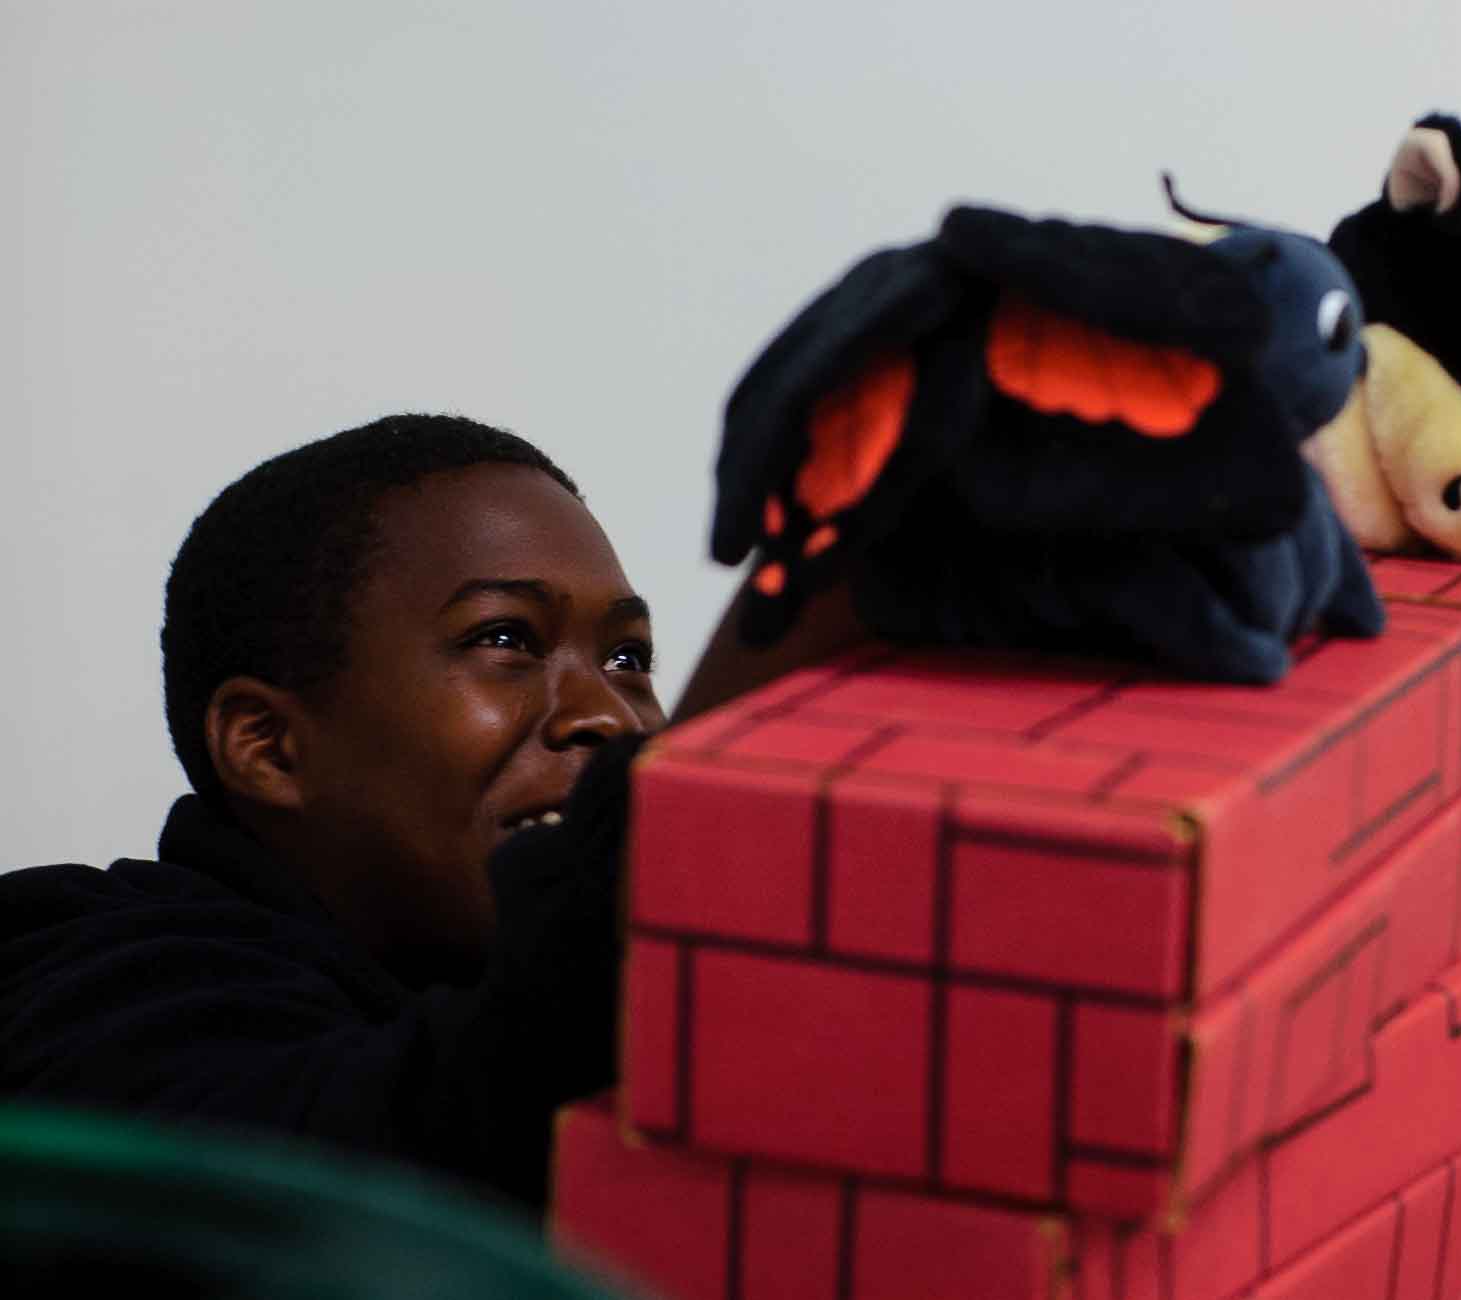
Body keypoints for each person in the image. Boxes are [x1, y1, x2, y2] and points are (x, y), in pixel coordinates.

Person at [0, 413, 864, 1213]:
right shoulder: (75, 971)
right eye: (505, 638)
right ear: (269, 746)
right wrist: (823, 582)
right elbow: (366, 1187)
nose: (607, 713)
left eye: (629, 657)